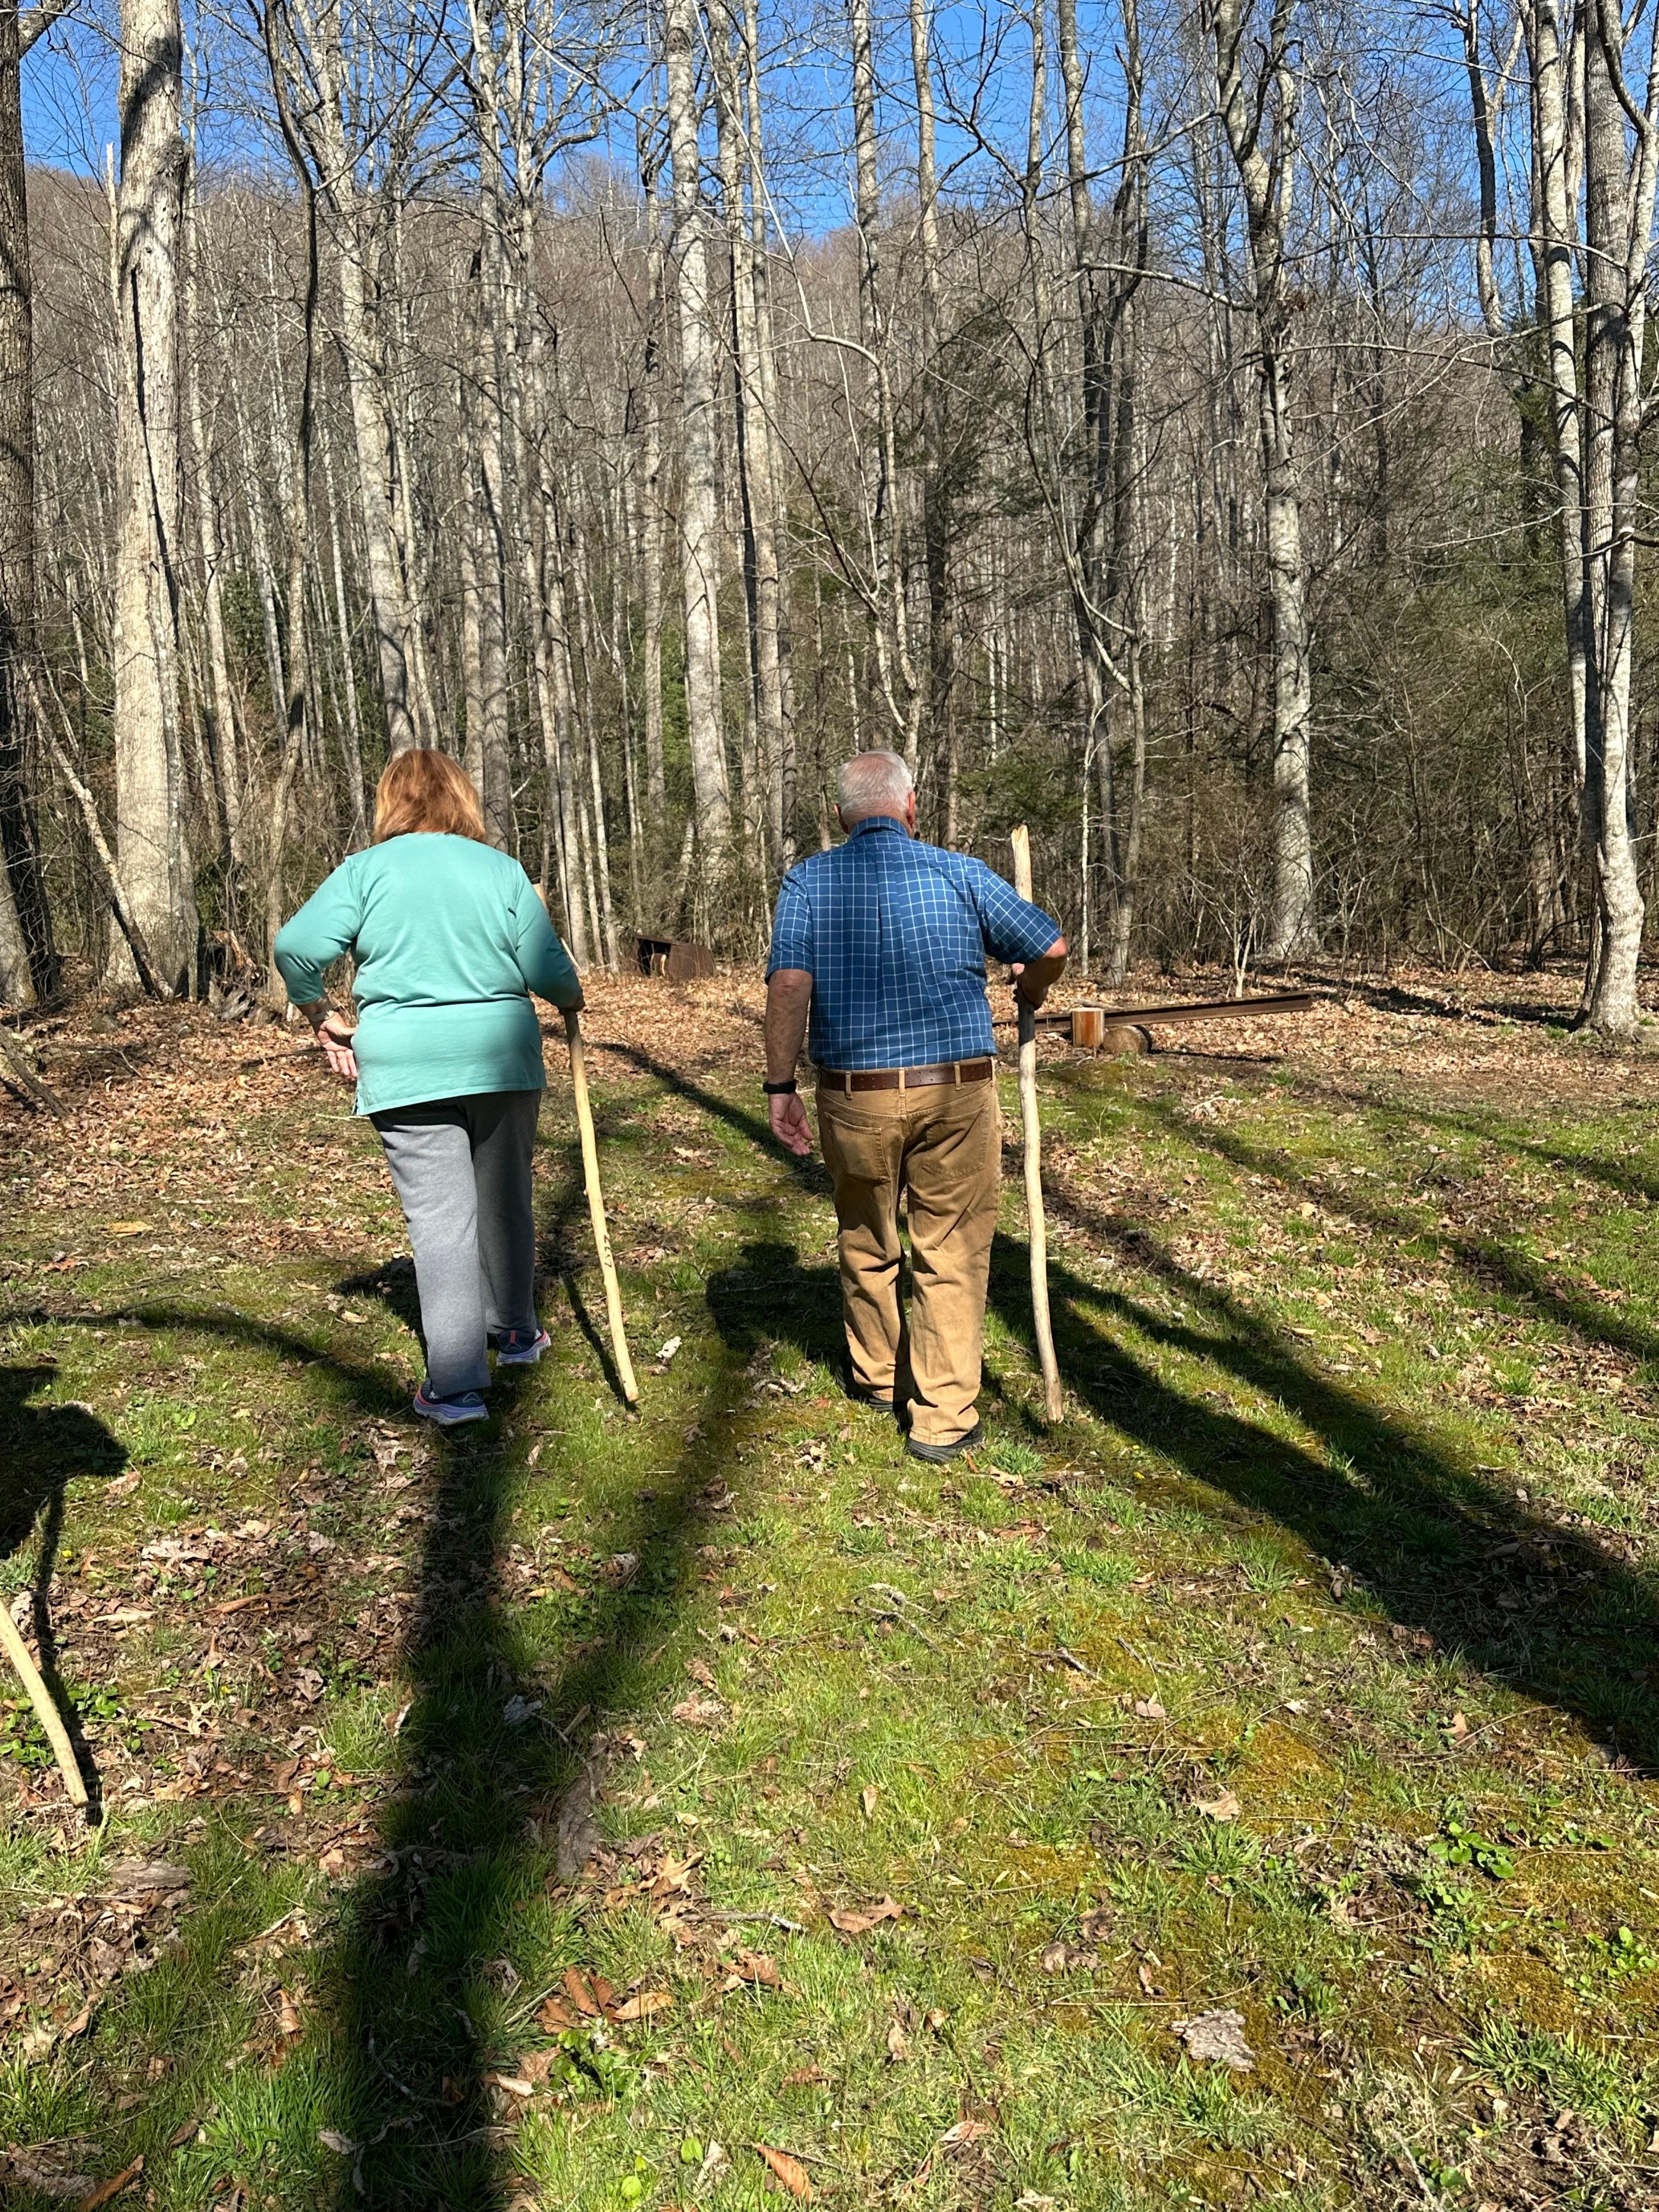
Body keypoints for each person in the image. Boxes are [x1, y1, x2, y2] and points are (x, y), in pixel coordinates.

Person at [764, 750, 1066, 1461]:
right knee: (952, 1251)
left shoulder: (809, 881)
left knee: (867, 1236)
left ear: (841, 816)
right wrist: (1033, 990)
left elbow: (787, 987)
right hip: (956, 1092)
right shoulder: (959, 873)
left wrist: (780, 1086)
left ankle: (877, 1376)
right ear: (911, 805)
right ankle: (943, 1418)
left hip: (854, 1097)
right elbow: (1049, 945)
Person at [273, 751, 584, 1427]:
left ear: (391, 801)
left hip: (408, 1064)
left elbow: (296, 947)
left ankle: (457, 1385)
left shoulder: (364, 872)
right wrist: (570, 995)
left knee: (441, 1219)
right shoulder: (500, 869)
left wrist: (319, 1013)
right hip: (500, 1055)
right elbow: (545, 966)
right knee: (506, 1198)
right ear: (462, 798)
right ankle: (516, 1332)